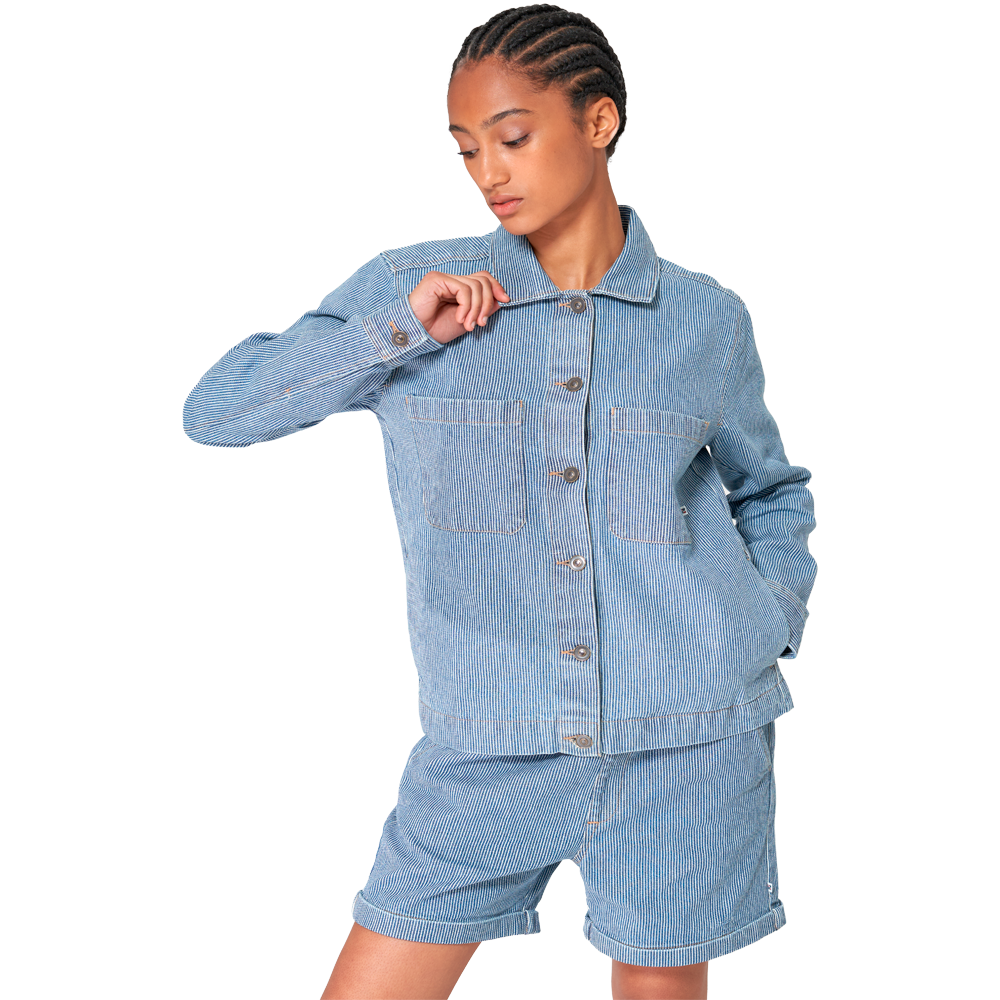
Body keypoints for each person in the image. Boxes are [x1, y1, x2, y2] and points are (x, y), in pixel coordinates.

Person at [182, 5, 817, 998]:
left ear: (598, 122)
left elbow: (769, 488)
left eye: (512, 137)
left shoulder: (703, 318)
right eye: (467, 147)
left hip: (688, 738)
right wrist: (398, 332)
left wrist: (764, 620)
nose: (488, 171)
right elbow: (217, 412)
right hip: (487, 749)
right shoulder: (417, 289)